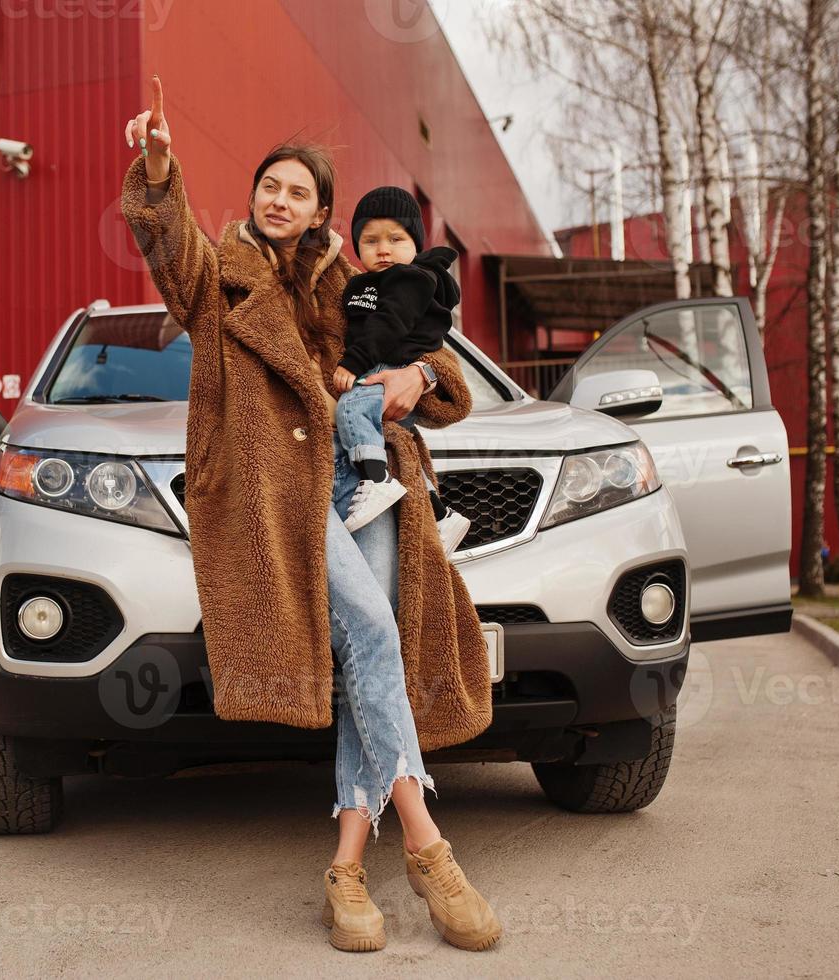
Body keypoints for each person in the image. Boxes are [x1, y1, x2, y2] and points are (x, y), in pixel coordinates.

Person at [121, 74, 500, 954]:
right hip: (271, 497)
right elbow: (169, 247)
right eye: (270, 187)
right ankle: (429, 846)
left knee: (375, 658)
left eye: (299, 191)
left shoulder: (352, 287)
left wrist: (416, 376)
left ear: (323, 209)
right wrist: (157, 168)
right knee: (371, 631)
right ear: (252, 198)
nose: (281, 199)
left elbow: (437, 376)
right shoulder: (219, 280)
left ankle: (345, 871)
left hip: (359, 485)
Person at [333, 185, 473, 556]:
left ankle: (375, 478)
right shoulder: (369, 283)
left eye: (396, 238)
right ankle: (440, 515)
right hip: (390, 377)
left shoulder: (409, 279)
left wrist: (354, 362)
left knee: (350, 408)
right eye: (370, 240)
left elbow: (389, 325)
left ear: (416, 243)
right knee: (404, 452)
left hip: (386, 367)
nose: (383, 248)